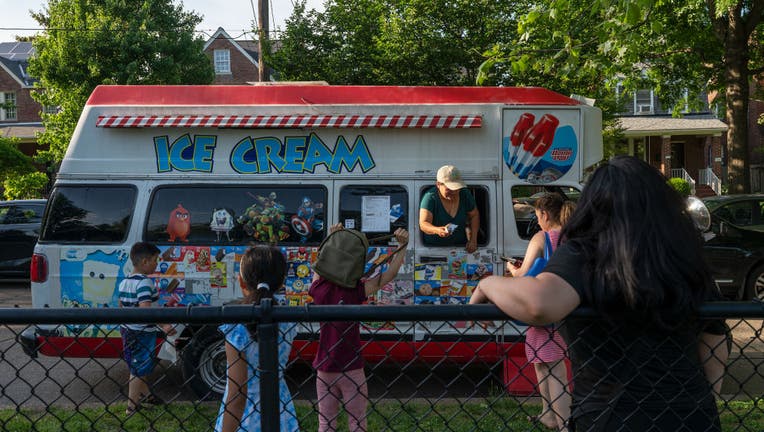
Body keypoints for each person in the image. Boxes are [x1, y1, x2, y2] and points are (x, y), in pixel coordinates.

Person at [470, 156, 729, 431]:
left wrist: (488, 284)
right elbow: (714, 340)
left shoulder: (585, 253)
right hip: (691, 415)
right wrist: (703, 401)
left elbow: (539, 303)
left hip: (609, 417)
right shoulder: (685, 256)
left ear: (593, 205)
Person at [310, 224, 409, 432]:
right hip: (352, 368)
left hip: (324, 367)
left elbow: (319, 267)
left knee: (325, 423)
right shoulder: (357, 290)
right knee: (357, 422)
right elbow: (388, 276)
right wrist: (403, 247)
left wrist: (332, 237)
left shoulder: (319, 289)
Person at [506, 193, 575, 431]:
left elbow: (524, 274)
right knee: (541, 362)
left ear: (544, 214)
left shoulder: (542, 237)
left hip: (543, 306)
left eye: (537, 216)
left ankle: (564, 424)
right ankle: (548, 413)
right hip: (565, 305)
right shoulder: (570, 237)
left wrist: (511, 269)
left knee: (554, 367)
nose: (537, 221)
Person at [215, 245, 299, 432]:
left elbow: (237, 395)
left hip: (244, 420)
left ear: (241, 281)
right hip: (281, 413)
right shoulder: (287, 320)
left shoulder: (236, 326)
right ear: (281, 282)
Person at [118, 241, 176, 415]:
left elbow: (120, 306)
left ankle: (147, 395)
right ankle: (131, 407)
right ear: (144, 262)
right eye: (155, 260)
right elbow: (146, 310)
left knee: (138, 365)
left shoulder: (125, 282)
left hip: (127, 330)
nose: (157, 264)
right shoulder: (144, 283)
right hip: (142, 333)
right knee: (138, 368)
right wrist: (164, 325)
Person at [419, 165, 480, 252]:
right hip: (432, 249)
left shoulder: (465, 194)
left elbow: (474, 215)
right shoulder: (430, 197)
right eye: (449, 189)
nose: (454, 192)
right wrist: (437, 230)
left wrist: (473, 240)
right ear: (438, 184)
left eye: (457, 188)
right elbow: (423, 224)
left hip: (461, 248)